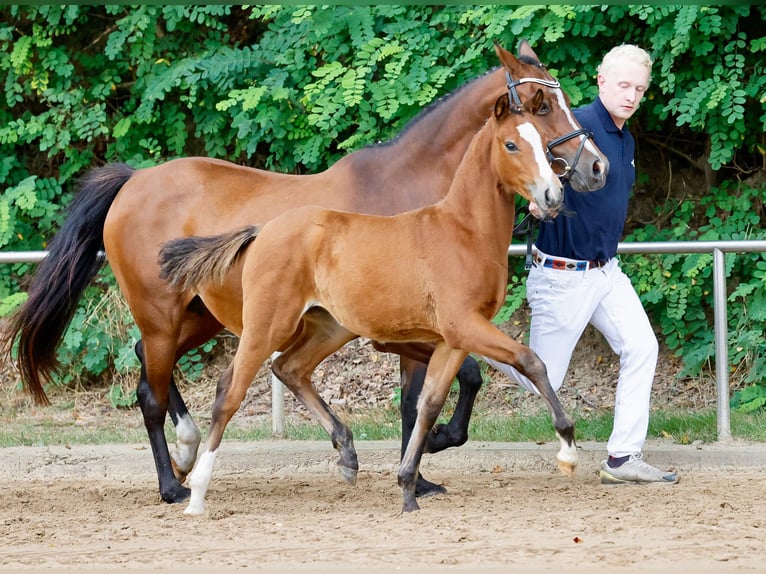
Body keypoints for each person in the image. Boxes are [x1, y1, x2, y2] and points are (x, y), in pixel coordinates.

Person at [485, 44, 678, 484]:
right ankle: (466, 338)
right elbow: (531, 168)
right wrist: (537, 205)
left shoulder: (625, 137)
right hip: (562, 274)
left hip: (607, 272)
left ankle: (623, 458)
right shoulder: (574, 125)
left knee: (642, 348)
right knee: (536, 381)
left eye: (639, 89)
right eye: (623, 85)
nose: (630, 95)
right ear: (601, 82)